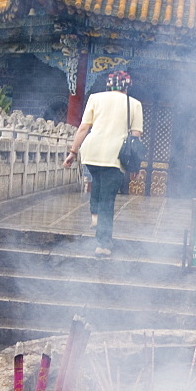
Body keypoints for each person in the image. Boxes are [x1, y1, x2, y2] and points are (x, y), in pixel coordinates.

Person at [63, 70, 143, 256]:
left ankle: (94, 216)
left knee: (97, 184)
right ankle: (103, 244)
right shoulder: (135, 104)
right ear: (127, 86)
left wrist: (72, 152)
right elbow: (136, 137)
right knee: (108, 198)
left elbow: (84, 127)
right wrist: (135, 166)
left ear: (109, 84)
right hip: (115, 156)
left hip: (91, 151)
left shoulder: (95, 98)